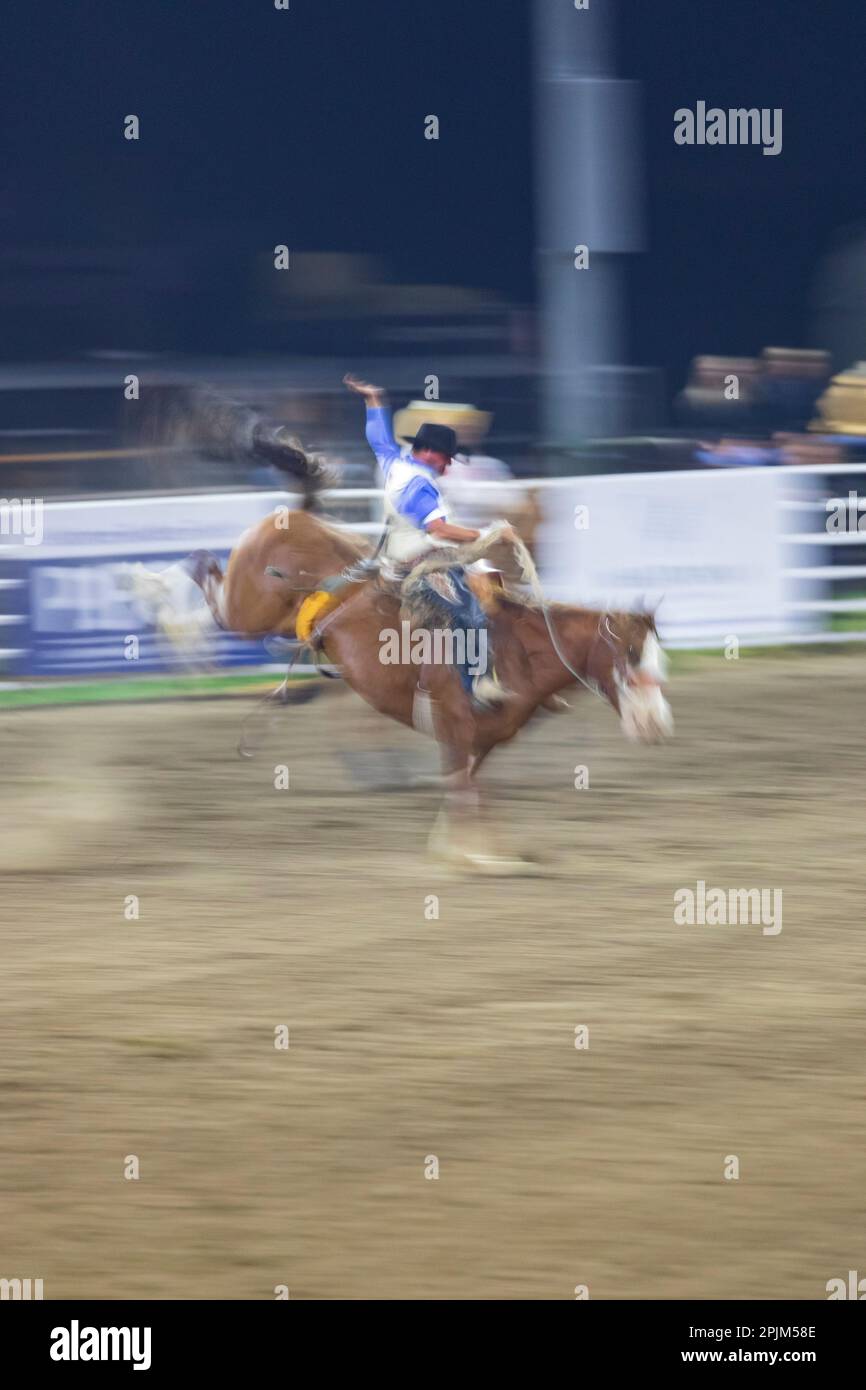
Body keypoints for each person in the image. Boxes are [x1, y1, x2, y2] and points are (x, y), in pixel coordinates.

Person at [343, 373, 508, 708]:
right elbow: (439, 531)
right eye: (446, 457)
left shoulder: (393, 463)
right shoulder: (420, 485)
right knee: (470, 615)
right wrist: (489, 534)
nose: (448, 465)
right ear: (429, 453)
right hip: (421, 562)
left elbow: (378, 437)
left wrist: (374, 400)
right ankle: (475, 687)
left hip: (398, 556)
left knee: (482, 586)